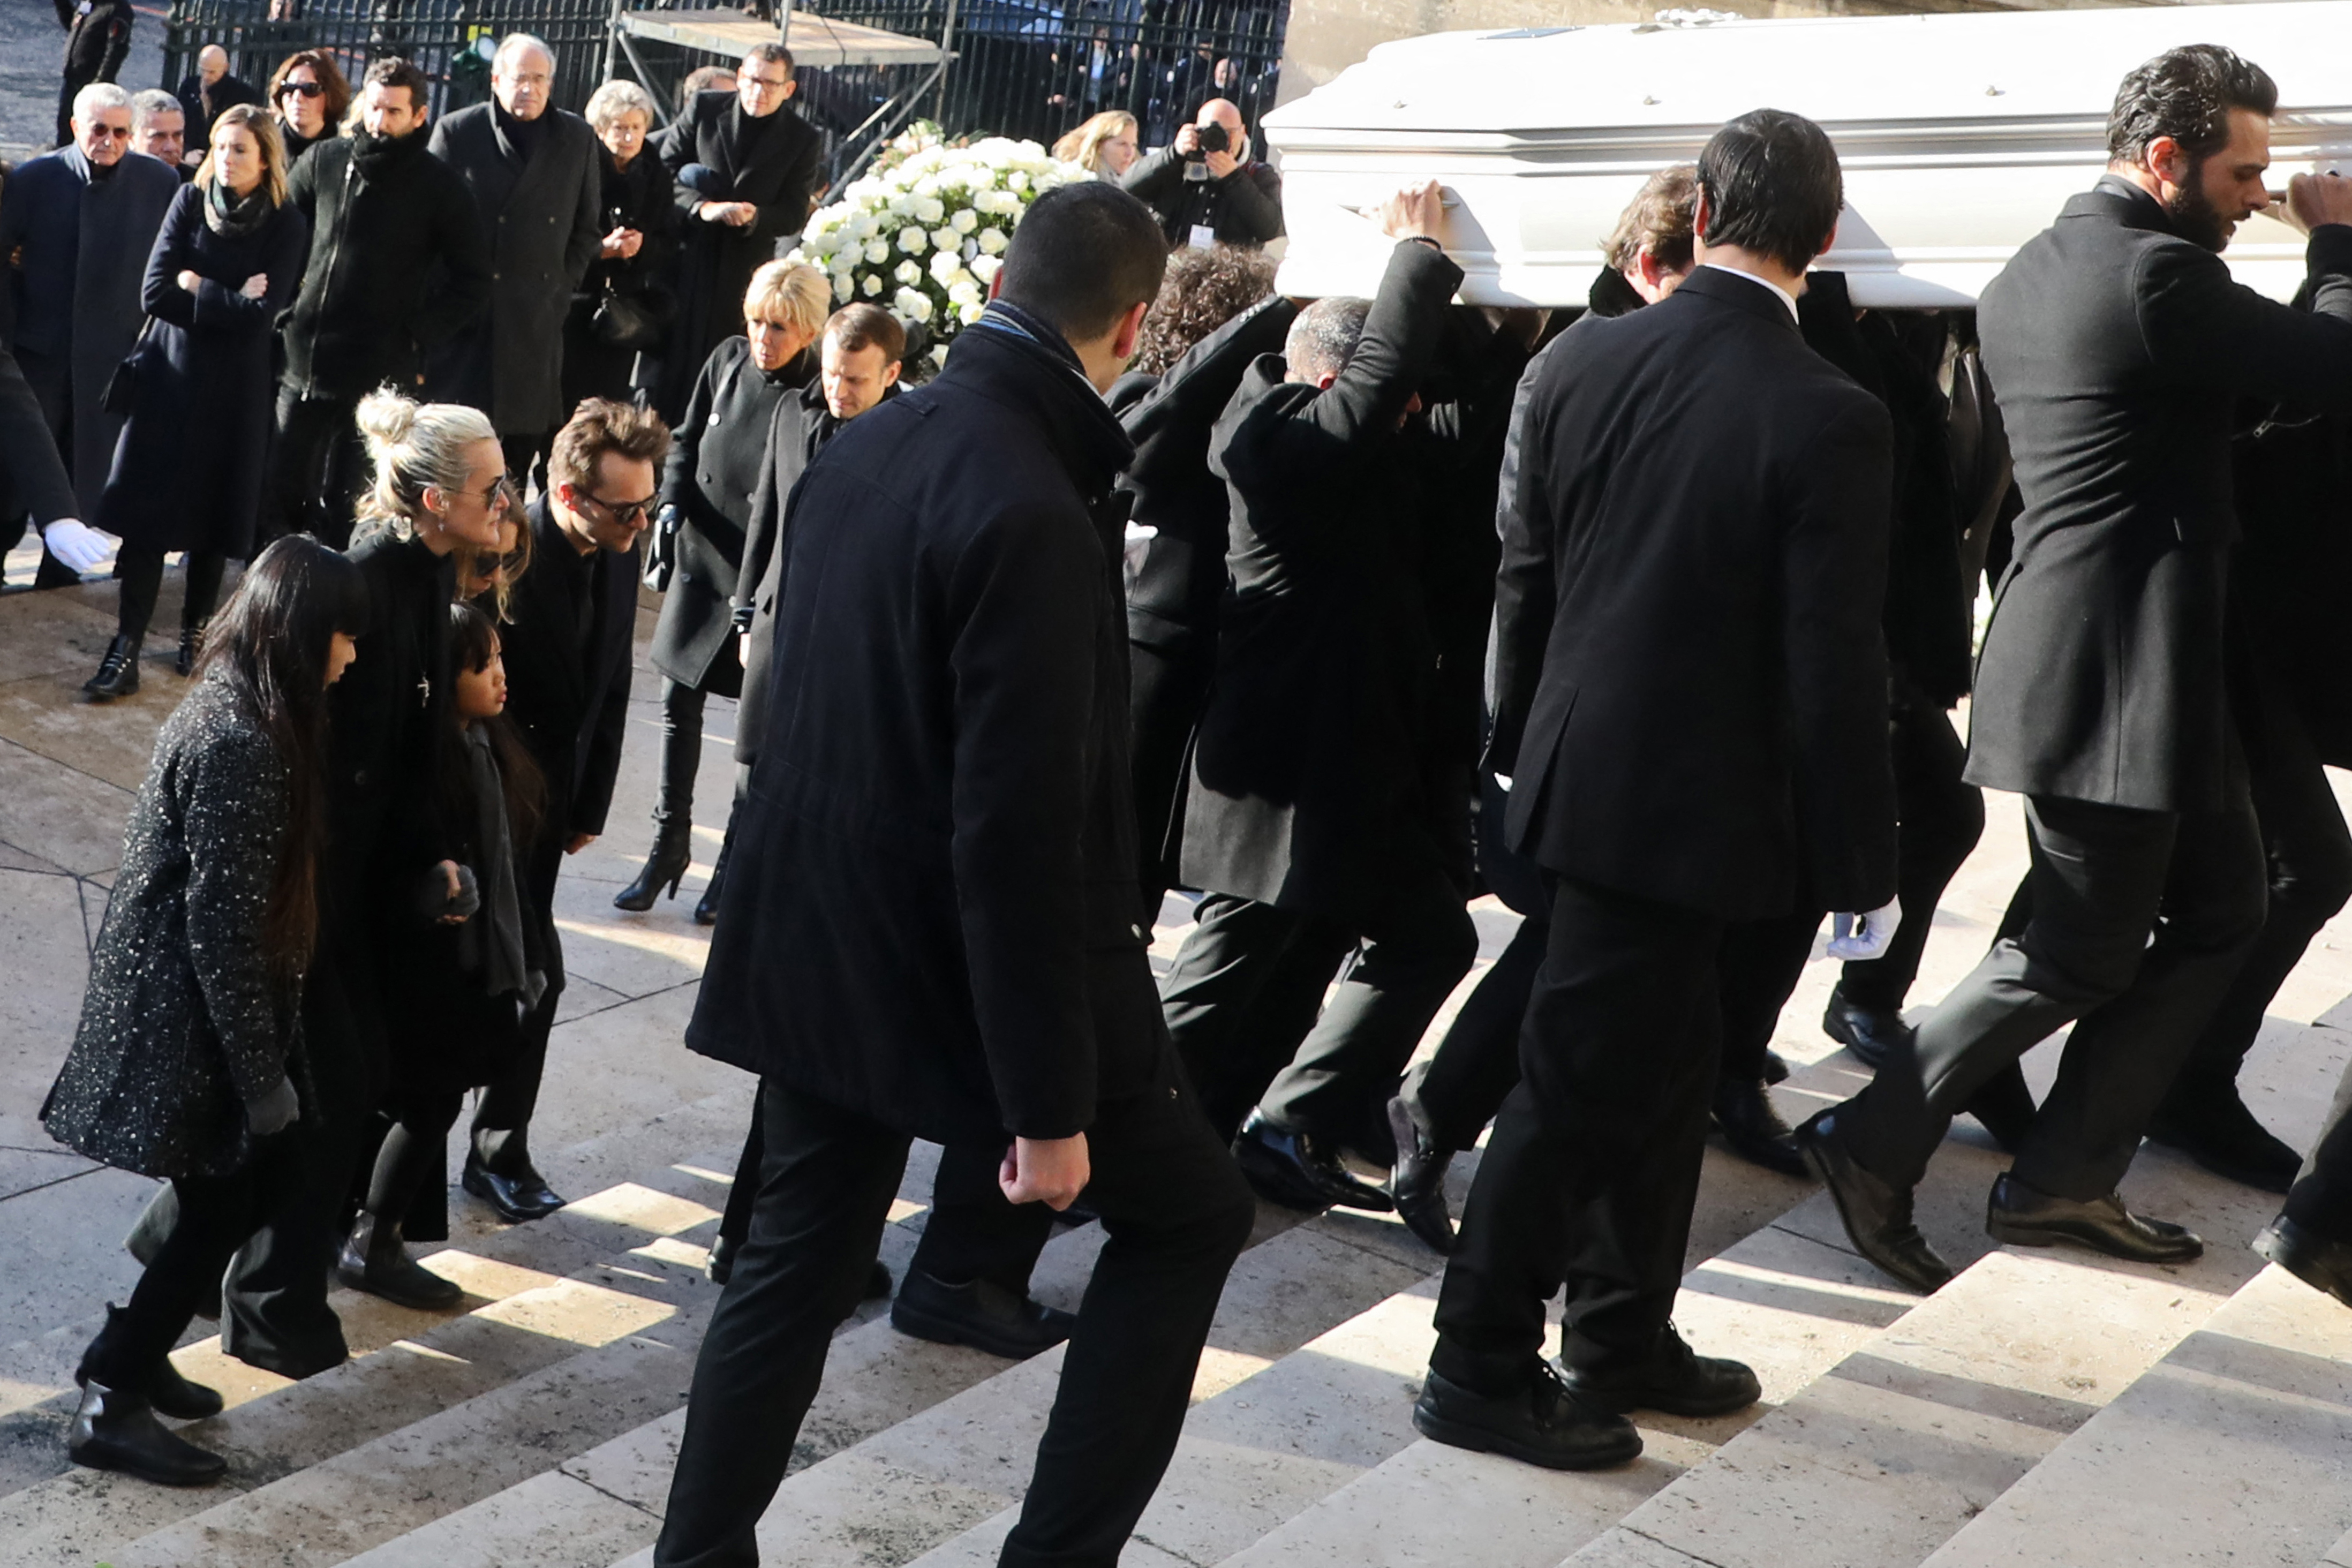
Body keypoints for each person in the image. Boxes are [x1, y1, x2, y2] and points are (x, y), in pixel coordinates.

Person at [650, 180, 1256, 1568]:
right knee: (1192, 1220)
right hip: (955, 943)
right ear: (1128, 325)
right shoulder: (1033, 505)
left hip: (822, 926)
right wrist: (1047, 1108)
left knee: (798, 1258)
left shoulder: (876, 442)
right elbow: (1021, 830)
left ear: (997, 280)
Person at [1798, 46, 2352, 1294]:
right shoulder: (2154, 276)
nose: (2258, 195)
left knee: (2224, 908)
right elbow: (2330, 368)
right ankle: (1870, 1133)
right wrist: (2337, 249)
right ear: (2163, 161)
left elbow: (2183, 419)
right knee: (2071, 947)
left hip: (2123, 668)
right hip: (2109, 677)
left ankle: (2062, 1177)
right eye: (2242, 172)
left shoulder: (2034, 271)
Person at [1416, 109, 1898, 1472]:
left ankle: (1621, 1329)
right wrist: (1863, 862)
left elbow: (1526, 577)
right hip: (1695, 807)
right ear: (1822, 238)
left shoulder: (1580, 361)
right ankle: (1477, 1363)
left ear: (1699, 221)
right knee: (1577, 1087)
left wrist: (1520, 750)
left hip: (1585, 778)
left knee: (1665, 1068)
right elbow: (1829, 662)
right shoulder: (1828, 413)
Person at [1159, 184, 1526, 1213]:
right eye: (1386, 394)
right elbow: (1368, 405)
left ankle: (1286, 1121)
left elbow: (1418, 412)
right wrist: (1413, 253)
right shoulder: (1266, 433)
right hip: (1280, 776)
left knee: (1422, 938)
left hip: (1351, 771)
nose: (1405, 416)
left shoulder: (1352, 444)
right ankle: (1113, 1127)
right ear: (1327, 373)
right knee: (1218, 978)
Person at [42, 535, 367, 1484]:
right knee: (244, 1180)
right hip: (186, 1013)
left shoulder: (251, 711)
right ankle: (115, 1393)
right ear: (308, 635)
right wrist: (261, 1078)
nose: (354, 655)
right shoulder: (241, 739)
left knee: (245, 1184)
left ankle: (131, 1352)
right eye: (347, 635)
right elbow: (219, 930)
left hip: (203, 1003)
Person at [218, 392, 509, 1378]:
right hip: (320, 890)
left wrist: (432, 856)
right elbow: (332, 754)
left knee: (353, 1083)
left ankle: (268, 1278)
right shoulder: (369, 580)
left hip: (376, 885)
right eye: (492, 487)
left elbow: (413, 746)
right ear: (433, 500)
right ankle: (262, 1299)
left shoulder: (431, 575)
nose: (508, 502)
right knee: (327, 1091)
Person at [470, 399, 669, 1223]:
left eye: (649, 505)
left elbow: (614, 679)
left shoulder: (620, 548)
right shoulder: (505, 561)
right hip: (487, 809)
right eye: (626, 509)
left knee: (534, 981)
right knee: (504, 983)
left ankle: (497, 1150)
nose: (642, 523)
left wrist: (591, 799)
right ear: (566, 495)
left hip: (553, 809)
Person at [343, 598, 552, 1309]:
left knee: (433, 1103)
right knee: (426, 1105)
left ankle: (374, 1235)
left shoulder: (486, 748)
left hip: (470, 968)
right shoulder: (427, 761)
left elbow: (505, 866)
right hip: (430, 973)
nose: (500, 677)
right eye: (482, 663)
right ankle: (375, 1241)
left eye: (498, 659)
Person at [617, 260, 827, 917]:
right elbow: (685, 439)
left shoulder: (818, 397)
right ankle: (666, 846)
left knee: (750, 729)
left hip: (760, 574)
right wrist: (672, 500)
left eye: (783, 328)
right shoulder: (727, 360)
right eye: (759, 323)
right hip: (702, 559)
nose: (766, 338)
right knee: (678, 704)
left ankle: (732, 864)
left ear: (809, 330)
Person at [87, 105, 308, 702]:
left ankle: (195, 634)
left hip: (235, 391)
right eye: (221, 147)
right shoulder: (189, 200)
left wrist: (199, 285)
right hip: (169, 377)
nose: (227, 160)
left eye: (241, 150)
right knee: (146, 520)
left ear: (266, 158)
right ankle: (126, 644)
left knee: (213, 519)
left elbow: (263, 318)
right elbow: (155, 290)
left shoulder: (286, 223)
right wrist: (225, 294)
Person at [1110, 243, 1290, 913]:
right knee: (1120, 865)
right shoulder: (1148, 396)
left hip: (1213, 654)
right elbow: (1166, 415)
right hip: (1151, 650)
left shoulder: (1257, 407)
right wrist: (1280, 307)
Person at [270, 56, 490, 549]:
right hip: (306, 356)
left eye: (393, 112)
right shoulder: (327, 160)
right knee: (281, 485)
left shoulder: (441, 187)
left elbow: (473, 280)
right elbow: (283, 230)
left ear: (418, 116)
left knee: (354, 496)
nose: (379, 121)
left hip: (379, 369)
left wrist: (418, 333)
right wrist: (287, 307)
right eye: (374, 108)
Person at [0, 84, 182, 541]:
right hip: (39, 358)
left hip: (109, 362)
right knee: (15, 485)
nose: (112, 141)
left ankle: (61, 578)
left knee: (87, 485)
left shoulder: (158, 183)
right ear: (77, 126)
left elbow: (170, 260)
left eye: (123, 132)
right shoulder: (35, 179)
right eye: (100, 130)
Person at [425, 34, 602, 481]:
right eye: (520, 78)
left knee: (515, 466)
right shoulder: (458, 132)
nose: (530, 88)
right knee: (457, 459)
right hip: (470, 324)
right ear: (497, 80)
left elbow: (586, 229)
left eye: (539, 78)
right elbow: (426, 227)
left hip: (535, 322)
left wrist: (560, 289)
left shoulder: (576, 137)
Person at [653, 43, 824, 422]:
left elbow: (794, 213)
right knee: (674, 365)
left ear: (788, 90)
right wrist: (703, 208)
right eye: (750, 80)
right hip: (690, 256)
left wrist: (755, 217)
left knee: (727, 363)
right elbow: (663, 169)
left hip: (744, 269)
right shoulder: (706, 108)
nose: (757, 92)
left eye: (769, 84)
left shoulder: (802, 138)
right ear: (739, 77)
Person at [563, 79, 679, 412]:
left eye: (636, 127)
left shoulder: (654, 171)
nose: (629, 137)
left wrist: (641, 248)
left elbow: (668, 239)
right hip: (575, 298)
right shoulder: (580, 165)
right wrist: (602, 249)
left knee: (608, 402)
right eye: (619, 128)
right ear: (600, 129)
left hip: (622, 309)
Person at [1120, 97, 1283, 250]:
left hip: (1228, 274)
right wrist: (1173, 154)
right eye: (1209, 132)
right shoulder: (1177, 164)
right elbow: (1127, 187)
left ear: (1243, 132)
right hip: (1172, 267)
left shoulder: (1257, 174)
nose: (1218, 139)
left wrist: (1234, 178)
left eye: (1228, 132)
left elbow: (1270, 228)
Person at [55, 0, 133, 149]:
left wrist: (99, 84)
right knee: (65, 128)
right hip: (72, 79)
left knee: (88, 132)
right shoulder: (90, 4)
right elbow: (74, 27)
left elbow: (116, 50)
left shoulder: (117, 9)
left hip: (91, 83)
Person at [176, 44, 263, 165]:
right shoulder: (189, 86)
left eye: (212, 72)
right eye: (203, 70)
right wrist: (187, 152)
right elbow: (178, 123)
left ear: (226, 68)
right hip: (191, 157)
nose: (206, 77)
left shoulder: (243, 94)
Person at [265, 50, 351, 168]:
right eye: (289, 88)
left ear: (331, 95)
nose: (297, 98)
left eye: (310, 89)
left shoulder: (346, 153)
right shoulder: (263, 146)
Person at [1052, 110, 1140, 179]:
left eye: (1134, 145)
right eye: (1122, 144)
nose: (1130, 153)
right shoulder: (1078, 179)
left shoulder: (1131, 181)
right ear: (1099, 145)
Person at [131, 91, 191, 176]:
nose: (171, 147)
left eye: (177, 136)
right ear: (130, 138)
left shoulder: (197, 184)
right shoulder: (111, 183)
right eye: (159, 137)